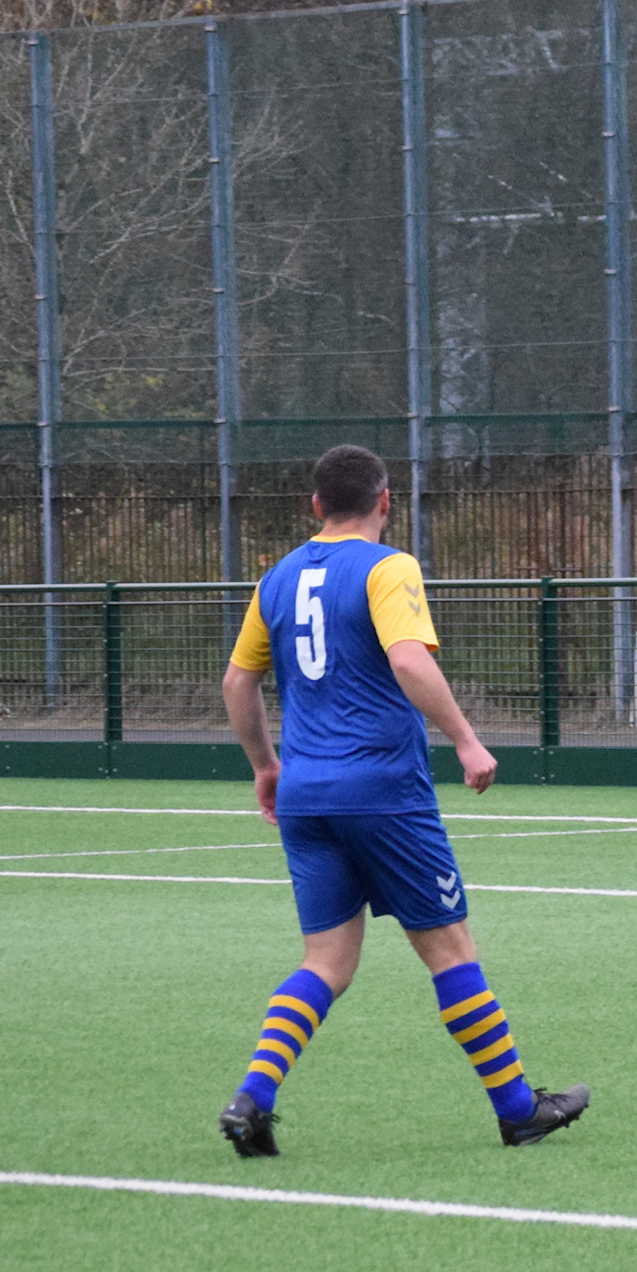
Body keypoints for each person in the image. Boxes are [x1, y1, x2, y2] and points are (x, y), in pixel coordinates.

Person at [216, 444, 588, 1157]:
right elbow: (410, 658)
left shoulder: (278, 577)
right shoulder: (390, 567)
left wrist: (266, 765)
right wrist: (469, 741)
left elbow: (238, 684)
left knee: (326, 961)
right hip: (383, 791)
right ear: (386, 502)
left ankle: (252, 1097)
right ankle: (518, 1110)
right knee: (449, 948)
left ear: (315, 506)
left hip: (305, 794)